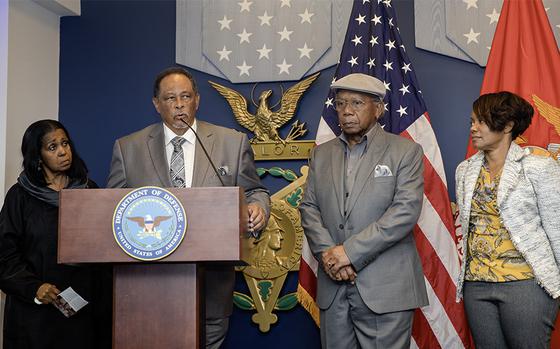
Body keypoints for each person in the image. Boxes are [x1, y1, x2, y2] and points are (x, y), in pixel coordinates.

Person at [107, 66, 270, 348]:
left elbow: (254, 190)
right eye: (170, 99)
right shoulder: (128, 148)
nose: (180, 105)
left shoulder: (231, 142)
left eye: (186, 96)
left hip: (212, 281)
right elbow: (112, 208)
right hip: (148, 284)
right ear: (156, 104)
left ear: (197, 100)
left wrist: (258, 208)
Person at [299, 73, 428, 348]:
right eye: (341, 103)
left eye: (357, 103)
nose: (346, 111)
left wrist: (349, 253)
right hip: (333, 286)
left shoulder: (406, 152)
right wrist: (329, 255)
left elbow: (404, 212)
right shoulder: (321, 154)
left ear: (378, 109)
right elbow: (309, 208)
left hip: (385, 289)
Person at [455, 91, 560, 348]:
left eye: (481, 121)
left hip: (526, 283)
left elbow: (557, 229)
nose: (474, 128)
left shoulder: (538, 167)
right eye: (471, 121)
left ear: (508, 125)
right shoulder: (464, 170)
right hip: (476, 284)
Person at [0, 119, 111, 348]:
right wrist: (34, 288)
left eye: (65, 144)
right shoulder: (20, 197)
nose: (63, 151)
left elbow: (104, 250)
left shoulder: (89, 191)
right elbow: (5, 255)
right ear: (38, 156)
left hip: (85, 313)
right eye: (53, 147)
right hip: (35, 315)